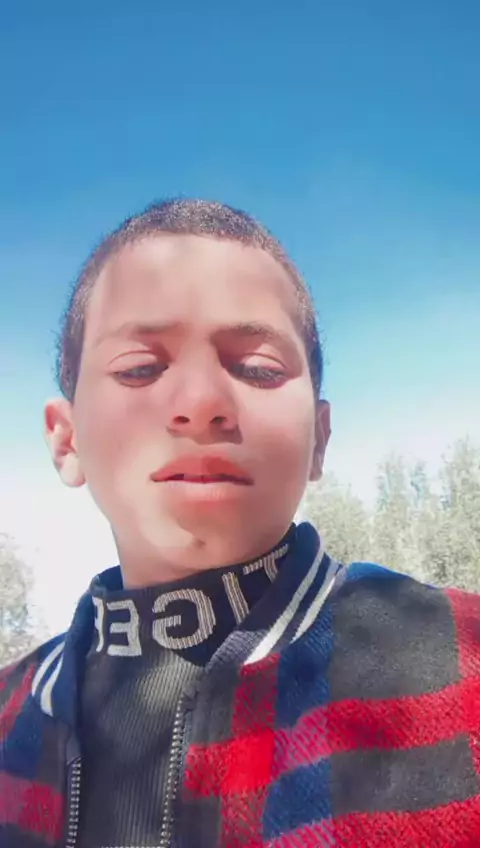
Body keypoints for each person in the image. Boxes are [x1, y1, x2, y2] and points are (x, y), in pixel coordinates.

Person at [1, 198, 480, 848]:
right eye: (140, 368)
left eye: (257, 368)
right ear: (67, 439)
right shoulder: (9, 714)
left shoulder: (464, 667)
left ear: (320, 438)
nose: (202, 404)